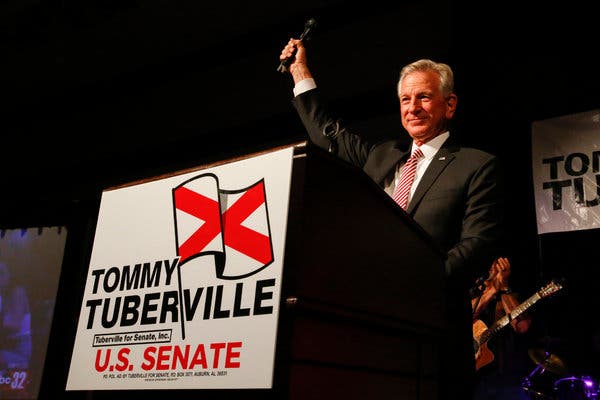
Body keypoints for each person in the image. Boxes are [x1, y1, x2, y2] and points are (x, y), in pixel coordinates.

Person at [279, 39, 505, 399]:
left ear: (450, 104)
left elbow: (477, 244)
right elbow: (328, 135)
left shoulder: (476, 165)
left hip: (431, 338)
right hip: (365, 332)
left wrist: (406, 287)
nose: (412, 107)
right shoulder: (383, 155)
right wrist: (299, 72)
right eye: (405, 100)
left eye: (424, 98)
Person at [471, 256, 533, 399]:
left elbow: (522, 327)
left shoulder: (514, 293)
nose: (496, 270)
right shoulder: (477, 291)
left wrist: (504, 287)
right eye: (493, 267)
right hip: (477, 374)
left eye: (500, 267)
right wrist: (492, 290)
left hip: (507, 376)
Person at [0, 260, 32, 372]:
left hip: (19, 352)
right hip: (7, 348)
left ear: (9, 274)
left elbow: (14, 325)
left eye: (1, 273)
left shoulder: (18, 292)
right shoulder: (2, 297)